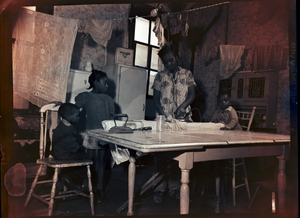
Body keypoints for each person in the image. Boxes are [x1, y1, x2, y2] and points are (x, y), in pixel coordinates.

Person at [151, 44, 196, 203]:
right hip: (164, 121)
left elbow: (191, 94)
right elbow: (156, 99)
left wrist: (183, 107)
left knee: (179, 156)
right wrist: (163, 115)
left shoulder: (187, 74)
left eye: (171, 60)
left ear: (176, 57)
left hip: (182, 121)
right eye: (165, 62)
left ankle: (175, 189)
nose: (169, 64)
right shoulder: (159, 76)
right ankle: (159, 189)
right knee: (161, 156)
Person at [75, 69, 115, 203]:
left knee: (101, 162)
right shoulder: (85, 96)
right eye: (105, 83)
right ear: (96, 82)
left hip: (103, 135)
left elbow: (111, 118)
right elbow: (74, 110)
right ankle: (87, 185)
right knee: (89, 161)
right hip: (91, 133)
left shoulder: (108, 99)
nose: (107, 86)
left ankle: (100, 189)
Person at [51, 103, 92, 191]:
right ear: (69, 117)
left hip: (58, 152)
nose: (79, 117)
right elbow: (75, 148)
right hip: (64, 155)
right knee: (88, 157)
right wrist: (84, 147)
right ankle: (72, 179)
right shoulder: (68, 131)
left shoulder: (63, 125)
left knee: (82, 157)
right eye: (77, 115)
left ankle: (69, 176)